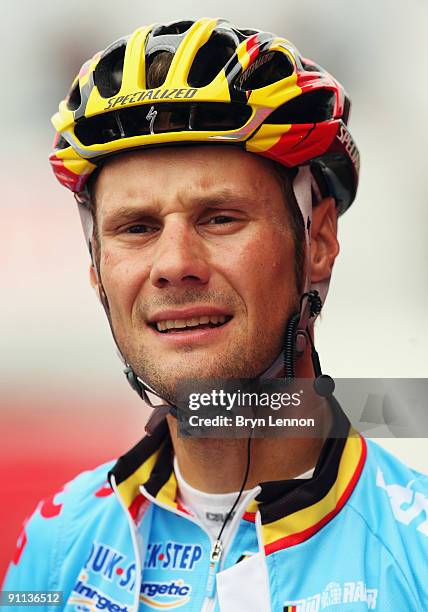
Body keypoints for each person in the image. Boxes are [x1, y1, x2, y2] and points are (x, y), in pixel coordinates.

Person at [3, 18, 427, 611]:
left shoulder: (417, 548)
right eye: (137, 228)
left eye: (220, 218)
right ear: (97, 267)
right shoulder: (56, 550)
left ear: (320, 241)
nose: (175, 264)